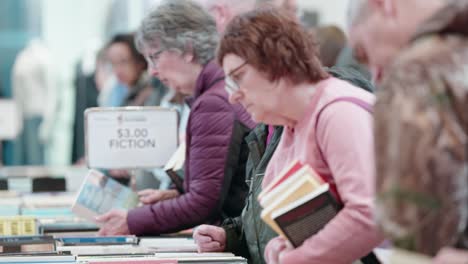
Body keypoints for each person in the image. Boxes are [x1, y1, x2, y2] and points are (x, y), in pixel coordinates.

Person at [214, 7, 383, 264]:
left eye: (238, 78)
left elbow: (368, 215)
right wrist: (279, 247)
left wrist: (294, 258)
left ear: (274, 61)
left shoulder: (338, 112)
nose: (233, 95)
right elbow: (296, 223)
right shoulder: (293, 124)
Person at [96, 0, 255, 236]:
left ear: (188, 50)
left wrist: (132, 220)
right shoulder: (214, 94)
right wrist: (178, 193)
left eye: (155, 56)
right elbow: (220, 186)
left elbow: (202, 203)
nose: (152, 71)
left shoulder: (213, 102)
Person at [348, 0, 468, 257]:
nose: (375, 76)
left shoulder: (416, 73)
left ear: (384, 5)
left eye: (362, 53)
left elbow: (414, 231)